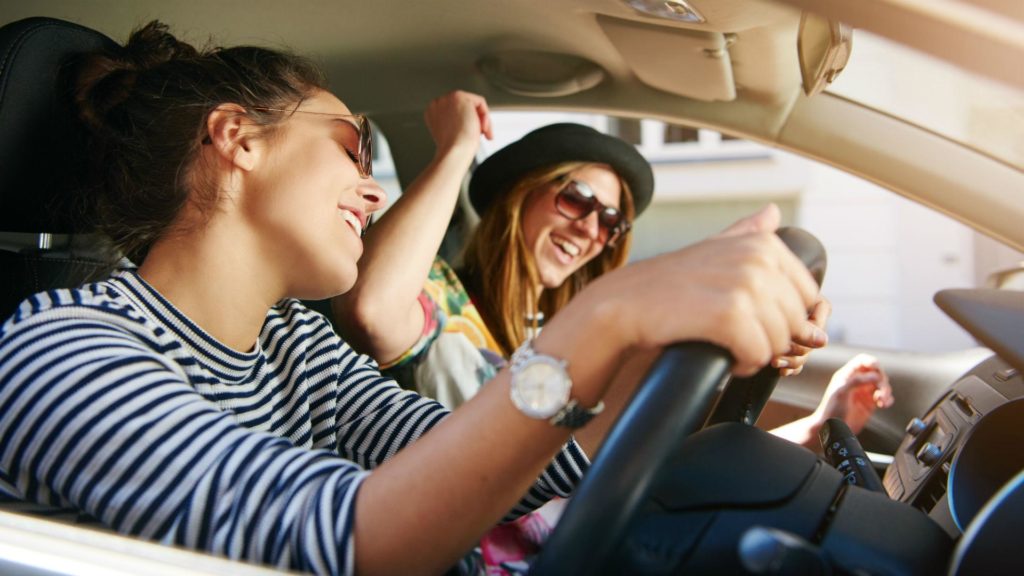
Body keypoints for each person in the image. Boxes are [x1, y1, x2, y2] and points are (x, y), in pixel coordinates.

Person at [0, 21, 827, 576]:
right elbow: (351, 539)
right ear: (237, 139)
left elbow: (482, 454)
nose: (371, 190)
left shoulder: (292, 342)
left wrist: (673, 338)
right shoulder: (55, 348)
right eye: (355, 148)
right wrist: (605, 318)